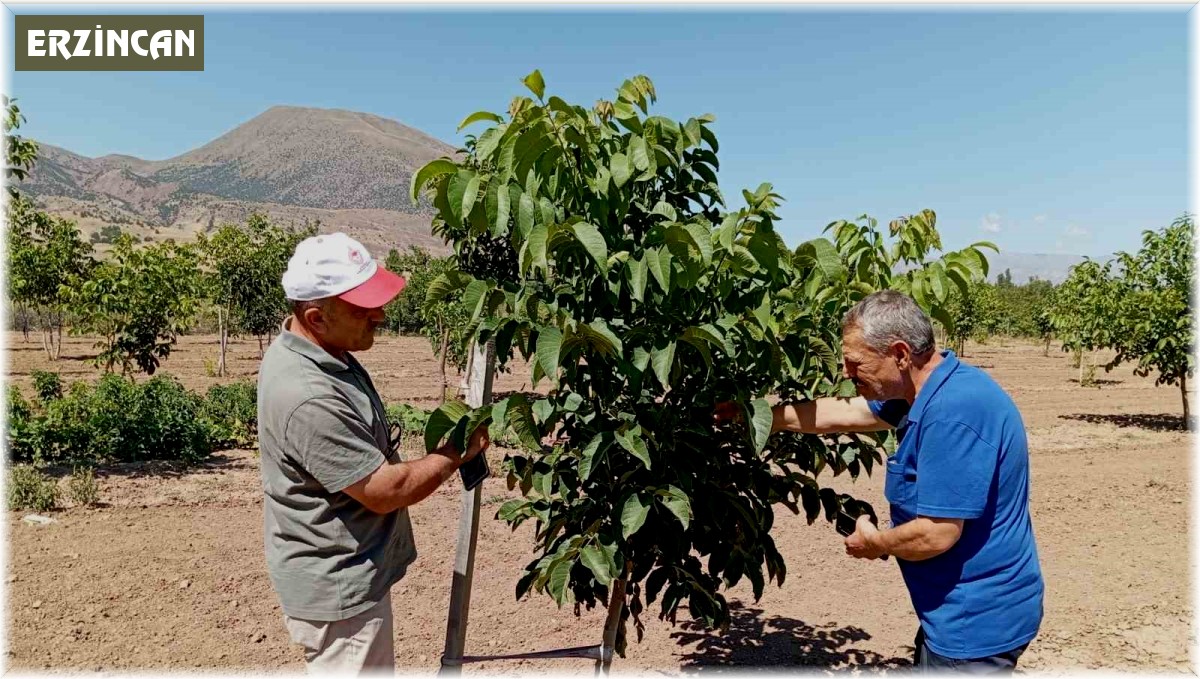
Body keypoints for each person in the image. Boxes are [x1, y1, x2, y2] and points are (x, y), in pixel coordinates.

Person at [715, 290, 1043, 673]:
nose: (845, 373)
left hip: (976, 622)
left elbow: (936, 534)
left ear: (901, 354)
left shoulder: (952, 413)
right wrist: (757, 417)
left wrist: (875, 544)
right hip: (962, 611)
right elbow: (845, 412)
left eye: (855, 363)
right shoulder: (930, 387)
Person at [257, 232, 489, 674]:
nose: (380, 316)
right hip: (339, 591)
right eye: (364, 308)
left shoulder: (322, 351)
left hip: (344, 573)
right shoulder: (307, 395)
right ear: (316, 317)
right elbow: (385, 489)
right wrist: (454, 453)